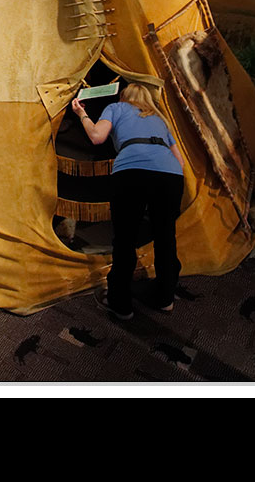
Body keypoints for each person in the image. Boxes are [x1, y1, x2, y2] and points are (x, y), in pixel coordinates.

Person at [72, 83, 186, 320]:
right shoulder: (160, 118)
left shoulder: (117, 107)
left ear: (125, 96)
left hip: (132, 172)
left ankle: (120, 304)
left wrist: (81, 113)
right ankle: (165, 299)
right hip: (171, 175)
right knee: (165, 237)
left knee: (125, 239)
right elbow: (181, 162)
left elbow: (96, 136)